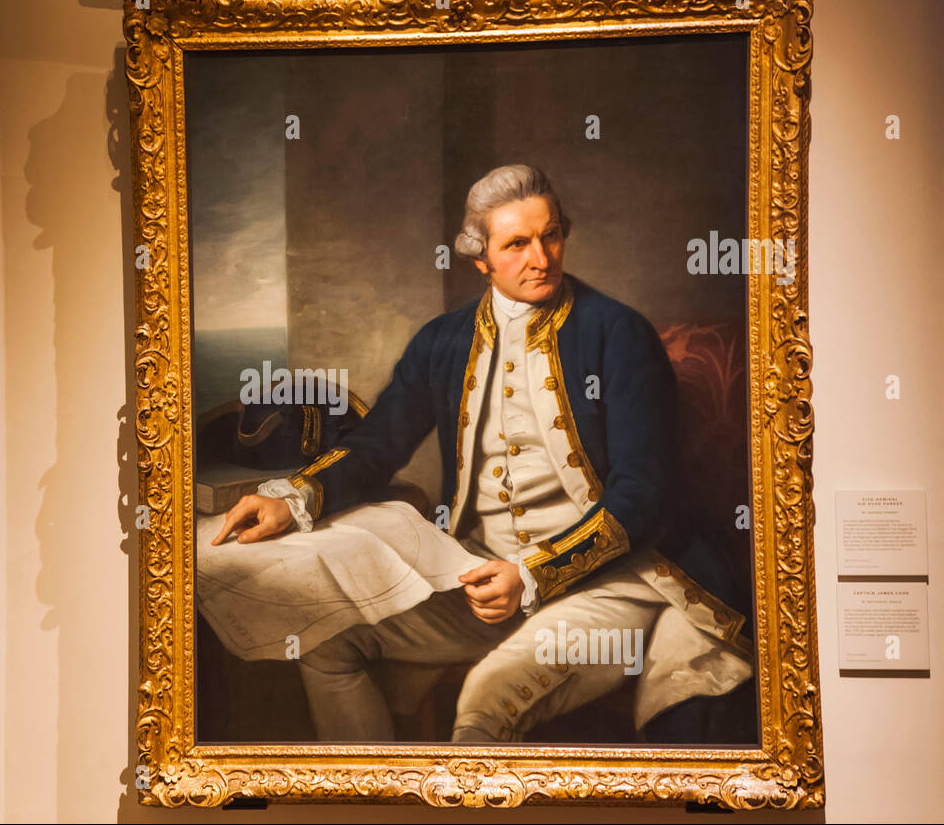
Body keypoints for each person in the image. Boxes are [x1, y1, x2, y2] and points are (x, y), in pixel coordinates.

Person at [211, 164, 754, 743]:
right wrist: (293, 498)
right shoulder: (442, 341)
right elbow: (378, 443)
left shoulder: (617, 332)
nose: (540, 258)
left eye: (550, 236)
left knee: (484, 702)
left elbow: (645, 495)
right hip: (480, 582)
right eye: (517, 244)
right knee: (323, 642)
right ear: (481, 259)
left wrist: (532, 573)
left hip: (609, 586)